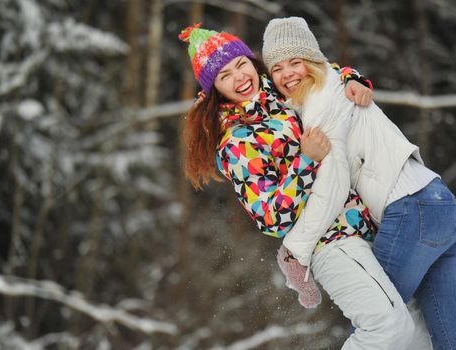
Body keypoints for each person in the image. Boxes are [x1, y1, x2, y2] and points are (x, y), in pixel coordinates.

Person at [179, 23, 422, 349]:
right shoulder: (236, 143)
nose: (239, 78)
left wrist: (352, 78)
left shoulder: (282, 93)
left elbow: (322, 71)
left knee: (416, 335)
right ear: (215, 91)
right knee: (389, 330)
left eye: (241, 65)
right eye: (225, 76)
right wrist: (305, 162)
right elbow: (270, 217)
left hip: (370, 225)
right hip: (330, 243)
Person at [263, 16, 456, 350]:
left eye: (296, 62)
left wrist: (296, 249)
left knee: (379, 326)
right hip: (442, 205)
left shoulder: (322, 102)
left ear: (313, 61)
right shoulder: (333, 86)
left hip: (411, 211)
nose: (287, 73)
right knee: (453, 339)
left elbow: (332, 185)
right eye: (277, 68)